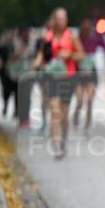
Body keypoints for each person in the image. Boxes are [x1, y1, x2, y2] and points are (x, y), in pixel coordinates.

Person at [33, 8, 83, 158]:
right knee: (55, 110)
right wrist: (37, 63)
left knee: (64, 113)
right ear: (54, 20)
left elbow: (81, 55)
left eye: (64, 18)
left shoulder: (72, 37)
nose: (61, 21)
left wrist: (70, 55)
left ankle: (64, 139)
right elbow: (43, 54)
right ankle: (56, 144)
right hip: (52, 77)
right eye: (59, 18)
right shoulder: (47, 37)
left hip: (68, 77)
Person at [73, 17, 105, 132]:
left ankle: (87, 125)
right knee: (80, 100)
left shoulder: (96, 38)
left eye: (88, 30)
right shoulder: (77, 39)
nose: (87, 32)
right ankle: (76, 116)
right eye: (85, 30)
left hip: (91, 73)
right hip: (79, 73)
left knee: (89, 100)